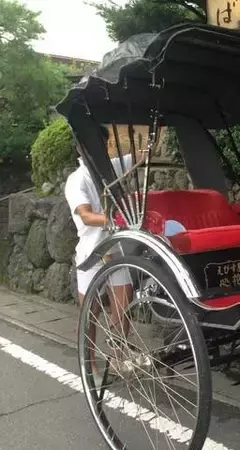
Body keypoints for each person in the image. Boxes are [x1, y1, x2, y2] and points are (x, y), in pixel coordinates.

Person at [64, 124, 137, 383]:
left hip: (115, 248)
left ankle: (118, 356)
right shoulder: (76, 180)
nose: (98, 149)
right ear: (80, 148)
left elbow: (139, 157)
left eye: (101, 144)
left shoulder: (110, 169)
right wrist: (114, 219)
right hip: (92, 253)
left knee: (123, 305)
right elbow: (85, 215)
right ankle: (90, 366)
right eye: (91, 144)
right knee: (91, 312)